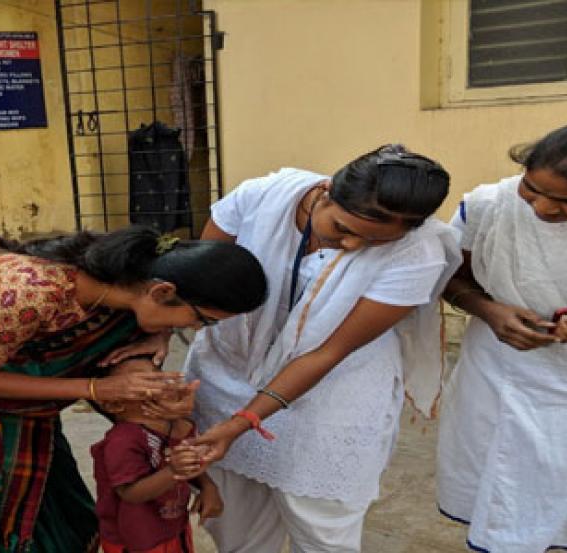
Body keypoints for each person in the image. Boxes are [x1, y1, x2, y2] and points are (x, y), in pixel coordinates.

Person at [0, 226, 268, 552]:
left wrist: (146, 379)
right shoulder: (34, 294)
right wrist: (94, 389)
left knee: (52, 504)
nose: (192, 331)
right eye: (202, 320)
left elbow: (114, 347)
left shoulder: (128, 285)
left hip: (1, 368)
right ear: (163, 292)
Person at [173, 145, 460, 552]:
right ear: (325, 191)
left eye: (375, 242)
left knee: (323, 531)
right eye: (342, 227)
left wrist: (240, 425)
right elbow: (203, 289)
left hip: (328, 399)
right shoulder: (259, 197)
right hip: (225, 375)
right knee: (237, 531)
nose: (352, 245)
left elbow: (326, 353)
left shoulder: (418, 252)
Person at [436, 117, 567, 553]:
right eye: (533, 190)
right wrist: (489, 311)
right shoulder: (489, 206)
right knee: (512, 492)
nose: (543, 209)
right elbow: (451, 278)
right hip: (508, 375)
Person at [91, 357, 222, 553]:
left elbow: (188, 459)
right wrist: (173, 471)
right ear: (114, 406)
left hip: (172, 527)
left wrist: (207, 486)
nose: (161, 383)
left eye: (157, 374)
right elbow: (130, 493)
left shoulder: (174, 425)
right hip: (135, 540)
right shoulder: (123, 441)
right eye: (143, 381)